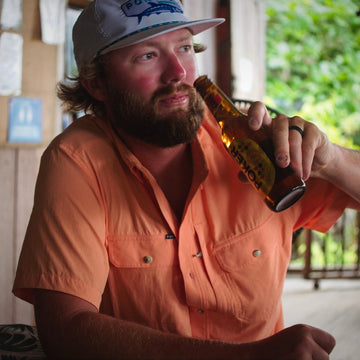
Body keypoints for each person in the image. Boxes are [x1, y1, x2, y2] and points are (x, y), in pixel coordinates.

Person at [13, 0, 360, 359]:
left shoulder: (249, 143)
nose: (178, 71)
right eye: (148, 55)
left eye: (184, 47)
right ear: (97, 84)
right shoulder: (77, 160)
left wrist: (332, 161)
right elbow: (64, 329)